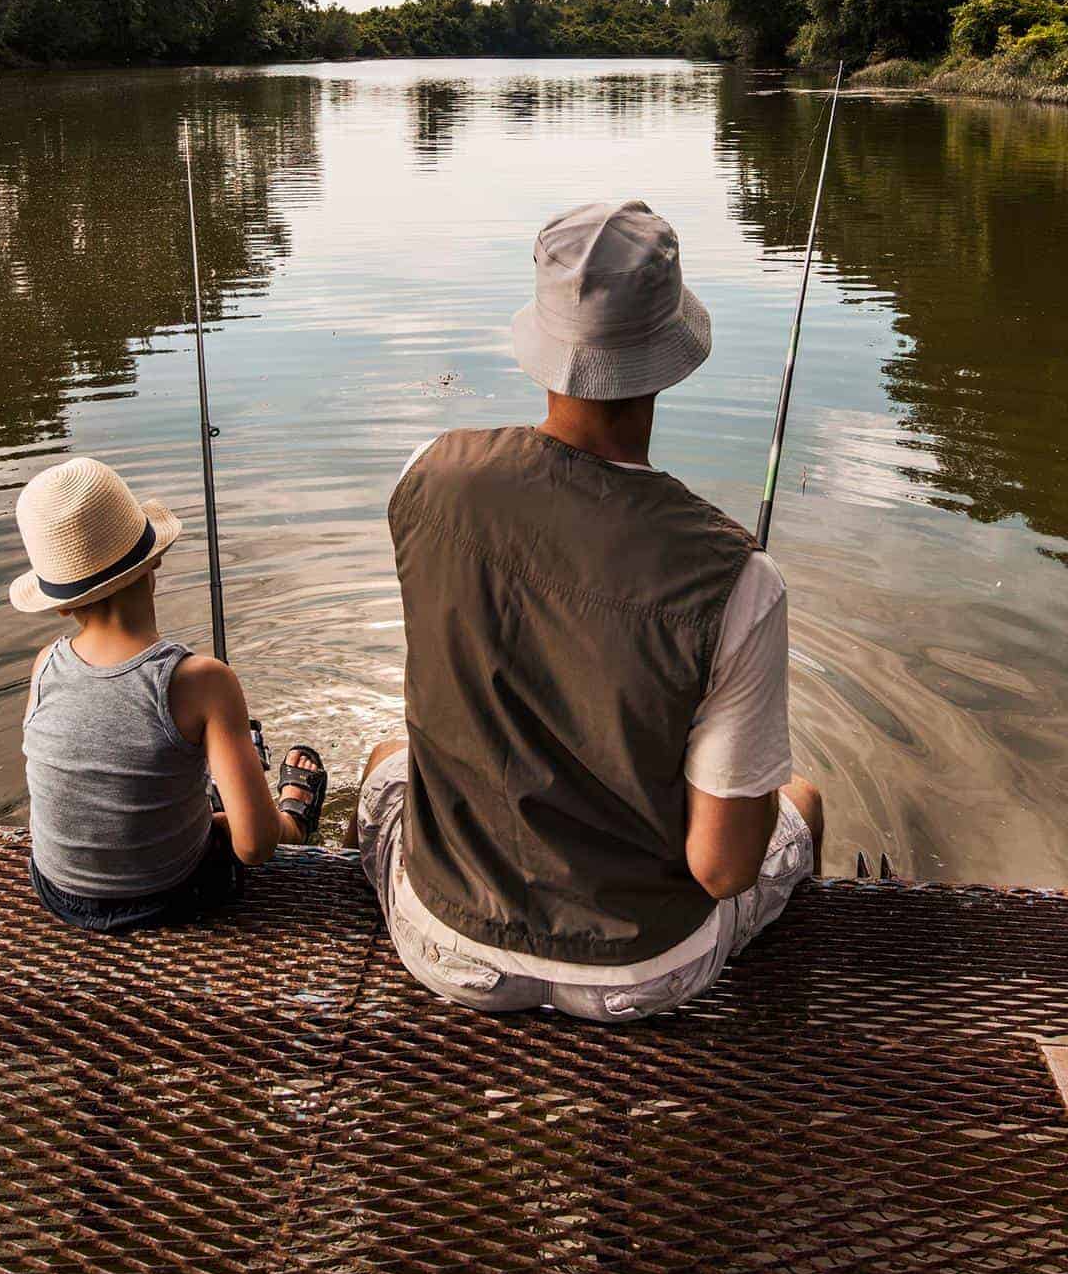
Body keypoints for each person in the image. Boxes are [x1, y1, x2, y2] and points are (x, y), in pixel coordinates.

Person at [350, 200, 824, 1022]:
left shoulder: (425, 475)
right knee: (803, 801)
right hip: (640, 975)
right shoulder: (740, 579)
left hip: (446, 948)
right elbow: (721, 871)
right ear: (669, 357)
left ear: (543, 341)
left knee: (388, 755)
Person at [14, 454, 325, 932]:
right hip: (171, 897)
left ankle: (214, 798)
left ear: (60, 606)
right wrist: (262, 826)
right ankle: (293, 818)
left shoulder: (44, 666)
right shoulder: (202, 681)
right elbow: (254, 849)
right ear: (154, 561)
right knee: (248, 827)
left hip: (59, 892)